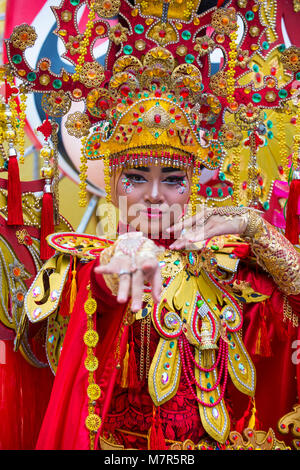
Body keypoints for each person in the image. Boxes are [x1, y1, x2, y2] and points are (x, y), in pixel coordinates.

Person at [30, 159, 300, 451]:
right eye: (136, 177)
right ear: (112, 181)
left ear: (193, 183)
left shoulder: (225, 266)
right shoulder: (87, 268)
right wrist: (114, 266)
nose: (155, 194)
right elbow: (98, 302)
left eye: (172, 180)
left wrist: (254, 228)